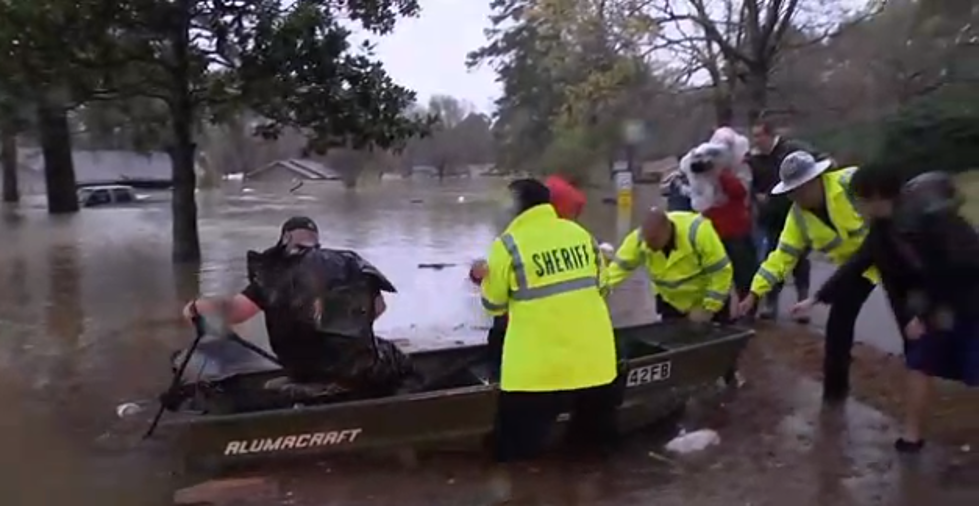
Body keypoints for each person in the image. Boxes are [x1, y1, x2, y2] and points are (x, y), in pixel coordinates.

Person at [794, 168, 979, 452]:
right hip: (936, 307)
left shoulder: (930, 220)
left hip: (967, 303)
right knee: (919, 363)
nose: (857, 207)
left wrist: (925, 314)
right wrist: (817, 298)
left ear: (878, 197)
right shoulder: (883, 228)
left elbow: (955, 269)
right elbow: (860, 261)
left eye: (859, 200)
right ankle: (912, 436)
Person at [181, 216, 413, 394]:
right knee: (398, 361)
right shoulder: (346, 264)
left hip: (302, 367)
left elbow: (236, 311)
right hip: (355, 366)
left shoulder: (270, 275)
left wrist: (196, 307)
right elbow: (379, 308)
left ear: (285, 239)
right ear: (316, 241)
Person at [479, 178, 619, 463]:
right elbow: (604, 287)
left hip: (537, 373)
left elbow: (493, 305)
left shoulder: (507, 245)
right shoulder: (582, 235)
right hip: (596, 365)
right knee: (591, 457)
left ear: (515, 208)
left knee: (513, 457)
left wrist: (483, 278)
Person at [737, 152, 878, 402]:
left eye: (800, 189)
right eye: (791, 192)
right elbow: (781, 257)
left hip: (889, 253)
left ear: (816, 180)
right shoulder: (798, 218)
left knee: (914, 316)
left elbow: (891, 194)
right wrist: (755, 291)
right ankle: (834, 394)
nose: (796, 197)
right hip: (855, 271)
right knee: (838, 327)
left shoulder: (849, 183)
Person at [471, 174, 589, 380]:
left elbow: (495, 300)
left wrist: (484, 278)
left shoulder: (514, 242)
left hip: (521, 337)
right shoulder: (580, 238)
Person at [606, 207, 739, 383]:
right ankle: (681, 384)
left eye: (654, 241)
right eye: (648, 243)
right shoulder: (639, 240)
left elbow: (721, 272)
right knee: (674, 347)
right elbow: (618, 269)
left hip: (704, 295)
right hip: (671, 300)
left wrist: (709, 307)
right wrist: (598, 291)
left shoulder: (698, 232)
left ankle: (728, 376)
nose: (650, 248)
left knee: (717, 344)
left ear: (667, 230)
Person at [748, 120, 831, 322]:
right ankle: (771, 300)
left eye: (759, 135)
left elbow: (820, 160)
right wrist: (757, 196)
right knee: (774, 257)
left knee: (800, 259)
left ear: (769, 135)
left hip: (795, 213)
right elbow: (750, 183)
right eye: (754, 136)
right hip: (771, 216)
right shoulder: (754, 159)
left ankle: (803, 299)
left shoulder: (792, 150)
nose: (756, 140)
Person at [686, 142, 757, 314]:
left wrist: (719, 175)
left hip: (736, 233)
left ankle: (747, 309)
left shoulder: (727, 177)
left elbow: (740, 191)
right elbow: (698, 205)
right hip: (714, 234)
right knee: (718, 275)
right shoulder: (702, 184)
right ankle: (720, 311)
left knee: (743, 274)